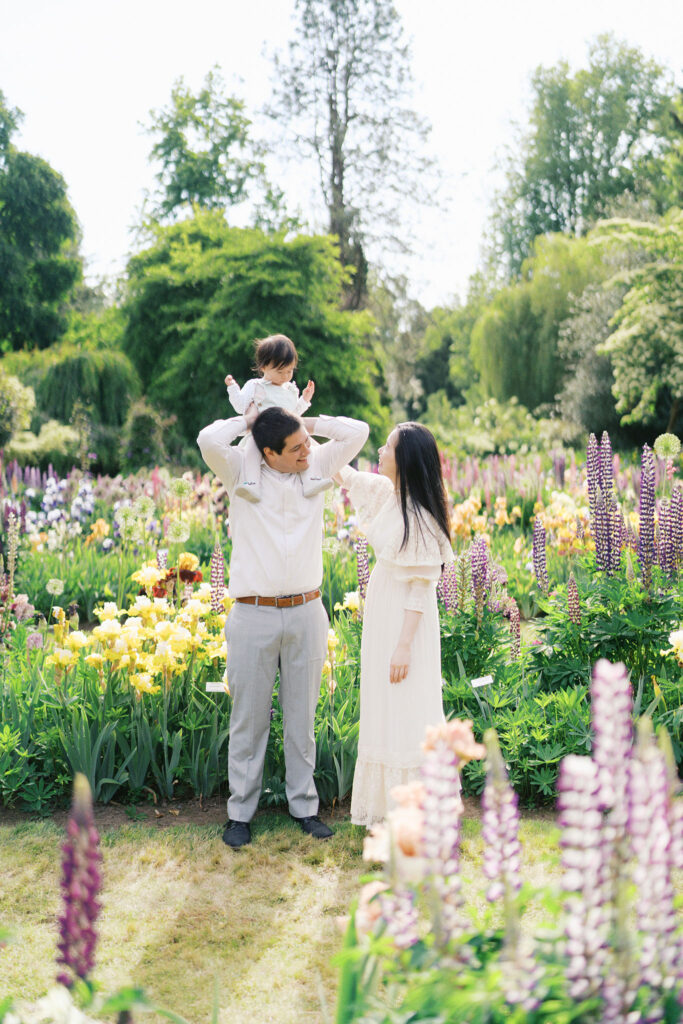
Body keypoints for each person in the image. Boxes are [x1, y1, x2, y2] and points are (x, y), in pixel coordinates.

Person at [197, 400, 369, 848]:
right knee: (248, 720)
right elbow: (207, 440)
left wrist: (301, 421)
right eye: (295, 448)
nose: (307, 451)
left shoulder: (316, 463)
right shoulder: (240, 472)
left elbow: (358, 431)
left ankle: (304, 808)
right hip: (252, 613)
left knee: (301, 719)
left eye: (307, 444)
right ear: (268, 452)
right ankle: (240, 814)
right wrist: (247, 423)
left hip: (307, 611)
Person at [336, 422, 454, 827]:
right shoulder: (387, 495)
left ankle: (417, 808)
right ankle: (388, 806)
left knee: (409, 704)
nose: (380, 452)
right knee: (384, 703)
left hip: (407, 625)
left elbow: (420, 589)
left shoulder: (421, 517)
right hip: (384, 612)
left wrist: (404, 646)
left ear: (405, 459)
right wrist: (297, 416)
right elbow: (341, 471)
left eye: (387, 447)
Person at [225, 333, 330, 502]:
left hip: (287, 435)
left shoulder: (290, 390)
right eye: (280, 371)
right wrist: (232, 387)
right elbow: (240, 406)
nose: (285, 376)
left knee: (306, 447)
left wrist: (305, 399)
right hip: (261, 433)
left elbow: (294, 414)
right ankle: (251, 483)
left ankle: (312, 480)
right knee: (251, 453)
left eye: (290, 371)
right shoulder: (256, 386)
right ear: (264, 367)